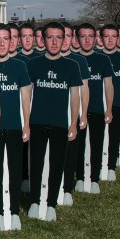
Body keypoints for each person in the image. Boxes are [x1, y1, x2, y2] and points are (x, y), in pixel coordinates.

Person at [27, 22, 82, 222]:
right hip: (38, 122)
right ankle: (34, 201)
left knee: (57, 163)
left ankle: (51, 204)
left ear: (64, 39)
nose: (54, 41)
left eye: (59, 37)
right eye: (50, 37)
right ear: (43, 39)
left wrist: (73, 123)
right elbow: (27, 95)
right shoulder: (33, 64)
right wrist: (26, 122)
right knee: (37, 163)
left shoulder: (72, 66)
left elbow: (75, 97)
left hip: (60, 123)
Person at [0, 24, 31, 231]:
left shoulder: (19, 66)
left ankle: (13, 211)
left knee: (13, 171)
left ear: (12, 41)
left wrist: (26, 124)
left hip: (13, 126)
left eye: (6, 39)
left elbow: (25, 97)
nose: (2, 43)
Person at [76, 24, 114, 194]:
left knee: (96, 144)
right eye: (83, 36)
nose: (87, 40)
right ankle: (80, 177)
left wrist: (109, 109)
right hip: (76, 112)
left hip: (97, 108)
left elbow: (109, 86)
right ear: (77, 39)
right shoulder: (73, 60)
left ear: (95, 38)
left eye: (90, 36)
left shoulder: (103, 59)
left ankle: (94, 178)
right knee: (78, 145)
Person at [60, 23, 89, 205]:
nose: (63, 40)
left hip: (72, 113)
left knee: (70, 151)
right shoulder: (41, 60)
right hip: (50, 114)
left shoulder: (79, 61)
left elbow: (84, 90)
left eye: (68, 36)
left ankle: (67, 186)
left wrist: (82, 114)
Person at [100, 24, 120, 181]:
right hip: (97, 106)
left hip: (117, 103)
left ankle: (111, 167)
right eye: (107, 36)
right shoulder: (97, 58)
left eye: (114, 36)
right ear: (101, 38)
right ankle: (96, 166)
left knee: (114, 136)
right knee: (97, 138)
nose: (111, 40)